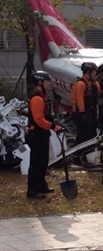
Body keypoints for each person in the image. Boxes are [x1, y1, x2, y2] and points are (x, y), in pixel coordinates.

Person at [26, 71, 63, 199]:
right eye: (47, 81)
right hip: (36, 133)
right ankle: (32, 190)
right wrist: (53, 127)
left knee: (43, 161)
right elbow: (39, 120)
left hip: (42, 133)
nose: (49, 84)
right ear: (39, 82)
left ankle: (41, 185)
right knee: (36, 162)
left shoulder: (44, 97)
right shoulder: (36, 99)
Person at [72, 62, 100, 147]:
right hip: (84, 113)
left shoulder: (92, 84)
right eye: (94, 71)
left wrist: (95, 83)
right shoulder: (81, 83)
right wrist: (82, 112)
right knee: (83, 136)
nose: (95, 73)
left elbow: (98, 93)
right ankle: (79, 154)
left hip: (92, 112)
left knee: (92, 134)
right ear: (88, 72)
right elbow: (79, 99)